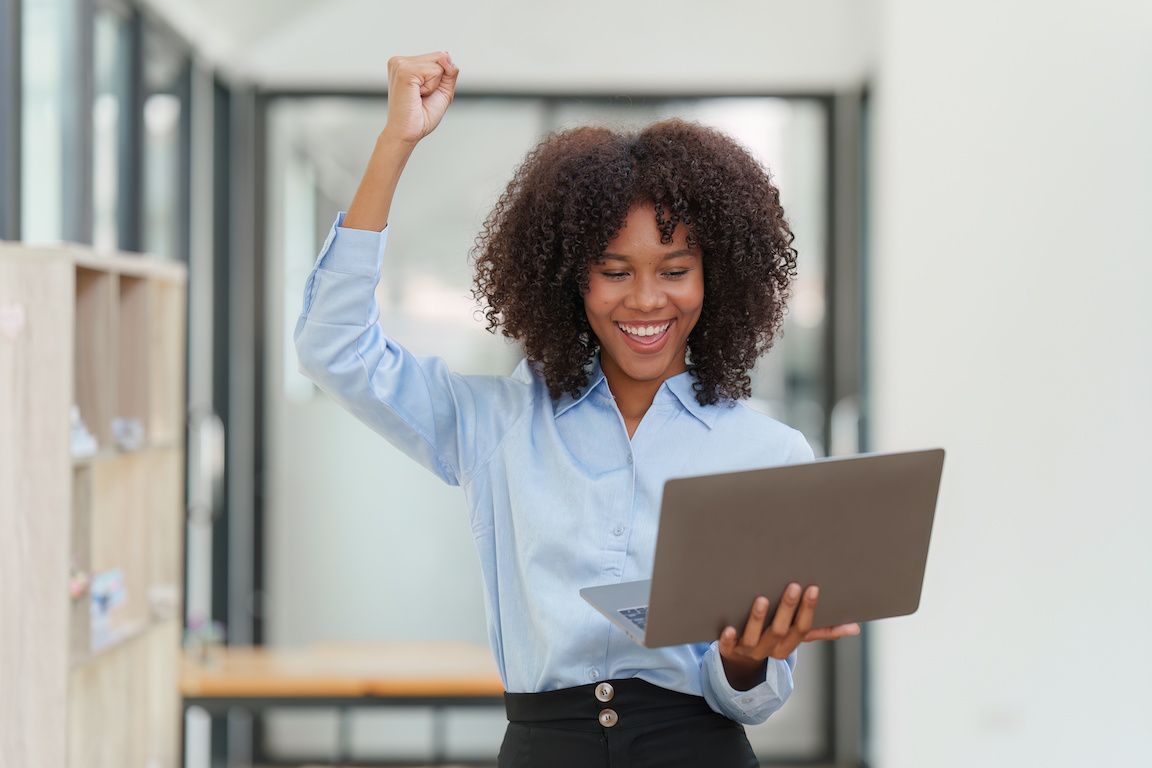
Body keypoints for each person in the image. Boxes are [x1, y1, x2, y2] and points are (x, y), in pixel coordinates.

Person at [293, 51, 862, 767]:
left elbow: (755, 698)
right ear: (570, 281)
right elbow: (332, 349)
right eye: (614, 272)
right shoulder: (498, 425)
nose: (647, 300)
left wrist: (747, 661)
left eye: (675, 271)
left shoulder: (769, 455)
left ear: (718, 278)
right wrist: (394, 144)